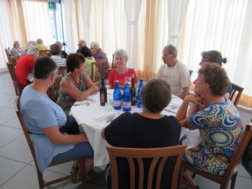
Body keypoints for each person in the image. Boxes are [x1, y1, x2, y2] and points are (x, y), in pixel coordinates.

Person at [102, 79, 181, 189]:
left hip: (126, 183)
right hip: (161, 183)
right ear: (167, 102)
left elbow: (104, 134)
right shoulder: (174, 124)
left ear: (142, 97)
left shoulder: (126, 121)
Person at [20, 56, 93, 174]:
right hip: (47, 145)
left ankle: (77, 163)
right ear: (52, 77)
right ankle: (81, 175)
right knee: (93, 146)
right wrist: (86, 138)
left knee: (82, 125)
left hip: (51, 129)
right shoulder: (39, 104)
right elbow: (57, 139)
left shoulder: (29, 88)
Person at [176, 64, 243, 187]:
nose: (195, 81)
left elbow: (178, 122)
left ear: (208, 85)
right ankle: (186, 177)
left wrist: (187, 100)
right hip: (228, 157)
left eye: (198, 79)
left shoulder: (209, 113)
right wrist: (195, 102)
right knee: (187, 140)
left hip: (217, 162)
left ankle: (174, 181)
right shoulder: (225, 102)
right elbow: (191, 121)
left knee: (173, 149)